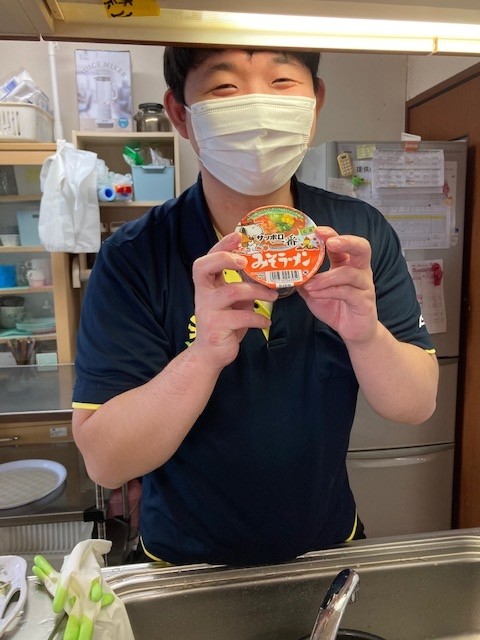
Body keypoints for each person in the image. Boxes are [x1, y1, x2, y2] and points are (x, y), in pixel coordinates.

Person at [72, 47, 439, 567]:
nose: (259, 106)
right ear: (180, 113)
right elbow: (105, 462)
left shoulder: (359, 235)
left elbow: (416, 404)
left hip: (327, 550)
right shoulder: (134, 257)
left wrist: (366, 336)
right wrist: (202, 358)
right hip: (184, 564)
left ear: (315, 102)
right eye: (225, 87)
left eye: (282, 81)